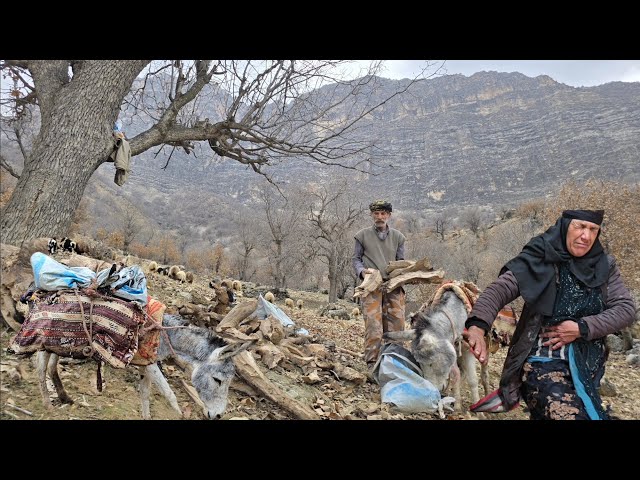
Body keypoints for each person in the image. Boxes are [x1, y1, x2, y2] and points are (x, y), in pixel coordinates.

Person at [463, 209, 636, 419]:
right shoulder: (541, 256)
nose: (586, 236)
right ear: (564, 227)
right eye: (579, 226)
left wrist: (582, 328)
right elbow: (500, 289)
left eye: (593, 229)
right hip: (540, 362)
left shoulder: (604, 266)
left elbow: (625, 309)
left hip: (584, 367)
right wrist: (478, 326)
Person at [352, 200, 407, 373]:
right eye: (376, 213)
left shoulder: (398, 237)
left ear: (389, 215)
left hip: (393, 285)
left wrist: (402, 274)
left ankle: (395, 363)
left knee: (397, 325)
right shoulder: (362, 236)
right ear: (371, 215)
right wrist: (363, 273)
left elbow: (401, 262)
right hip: (371, 285)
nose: (380, 217)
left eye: (383, 213)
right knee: (373, 326)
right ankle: (372, 365)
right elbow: (356, 259)